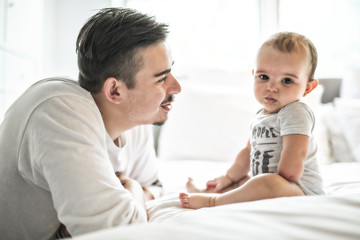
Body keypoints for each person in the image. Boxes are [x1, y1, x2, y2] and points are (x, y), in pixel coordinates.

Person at [0, 7, 181, 239]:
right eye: (162, 78)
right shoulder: (59, 111)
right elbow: (117, 232)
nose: (177, 87)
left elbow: (155, 187)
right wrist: (134, 189)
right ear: (115, 90)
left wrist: (133, 190)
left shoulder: (134, 120)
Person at [179, 32, 324, 209]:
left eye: (287, 81)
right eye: (264, 77)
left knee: (266, 184)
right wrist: (229, 178)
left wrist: (265, 183)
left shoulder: (296, 111)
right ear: (254, 75)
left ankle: (212, 201)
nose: (272, 87)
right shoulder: (261, 115)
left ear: (307, 88)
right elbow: (248, 151)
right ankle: (209, 191)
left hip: (298, 191)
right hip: (265, 184)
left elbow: (295, 158)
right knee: (243, 183)